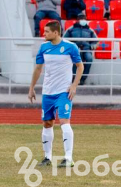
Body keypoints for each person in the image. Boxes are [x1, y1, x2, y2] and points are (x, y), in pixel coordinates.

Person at [27, 21, 84, 168]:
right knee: (47, 123)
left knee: (64, 122)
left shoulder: (70, 47)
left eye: (46, 32)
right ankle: (47, 158)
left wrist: (74, 86)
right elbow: (38, 69)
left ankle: (68, 157)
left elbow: (80, 66)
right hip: (48, 92)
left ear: (56, 33)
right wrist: (31, 87)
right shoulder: (44, 47)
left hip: (63, 92)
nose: (44, 34)